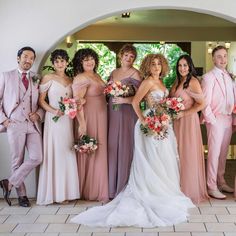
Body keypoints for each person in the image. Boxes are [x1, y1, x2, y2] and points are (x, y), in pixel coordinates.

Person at [71, 53, 194, 227]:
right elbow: (136, 102)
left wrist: (167, 113)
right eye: (153, 64)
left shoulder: (162, 82)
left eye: (159, 64)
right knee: (151, 160)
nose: (156, 67)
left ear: (163, 66)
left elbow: (162, 102)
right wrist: (145, 120)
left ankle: (163, 191)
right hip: (150, 124)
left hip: (163, 123)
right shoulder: (148, 82)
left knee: (163, 159)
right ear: (148, 67)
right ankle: (150, 192)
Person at [0, 46, 44, 207]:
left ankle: (9, 183)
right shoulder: (6, 76)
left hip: (32, 124)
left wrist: (38, 114)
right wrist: (4, 120)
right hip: (14, 123)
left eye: (31, 58)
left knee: (37, 157)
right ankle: (22, 196)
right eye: (25, 56)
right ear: (18, 58)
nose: (28, 60)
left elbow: (41, 102)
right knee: (16, 161)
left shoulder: (36, 77)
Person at [36, 49, 80, 205]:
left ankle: (66, 192)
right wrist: (55, 110)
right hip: (53, 119)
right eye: (57, 61)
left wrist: (73, 106)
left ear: (66, 62)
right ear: (53, 63)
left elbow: (75, 100)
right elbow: (41, 100)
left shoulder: (71, 79)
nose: (60, 63)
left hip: (68, 120)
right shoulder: (48, 77)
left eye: (62, 60)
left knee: (66, 150)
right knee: (55, 151)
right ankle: (54, 193)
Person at [170, 54, 209, 204]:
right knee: (177, 153)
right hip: (177, 122)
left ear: (190, 66)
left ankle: (189, 190)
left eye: (185, 65)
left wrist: (184, 113)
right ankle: (177, 187)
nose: (182, 68)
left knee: (187, 153)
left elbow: (201, 104)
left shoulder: (193, 82)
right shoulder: (177, 81)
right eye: (180, 65)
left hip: (188, 121)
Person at [72, 48, 108, 202]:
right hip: (89, 117)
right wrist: (82, 125)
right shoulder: (81, 78)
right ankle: (89, 190)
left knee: (100, 150)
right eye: (86, 59)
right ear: (80, 62)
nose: (89, 62)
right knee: (91, 149)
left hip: (102, 116)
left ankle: (100, 186)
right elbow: (77, 103)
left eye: (92, 58)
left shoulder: (96, 75)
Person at [201, 45, 235, 199]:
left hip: (228, 118)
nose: (223, 59)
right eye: (219, 56)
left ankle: (221, 181)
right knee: (214, 154)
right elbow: (204, 103)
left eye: (225, 56)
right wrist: (212, 120)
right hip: (216, 119)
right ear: (213, 59)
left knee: (223, 153)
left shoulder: (229, 76)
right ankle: (211, 185)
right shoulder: (209, 77)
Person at [108, 44, 141, 199]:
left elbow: (141, 97)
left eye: (132, 56)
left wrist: (124, 99)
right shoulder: (113, 72)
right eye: (126, 55)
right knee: (113, 145)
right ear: (120, 56)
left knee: (126, 146)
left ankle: (125, 185)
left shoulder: (135, 73)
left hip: (127, 113)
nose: (128, 58)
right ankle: (111, 186)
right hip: (112, 112)